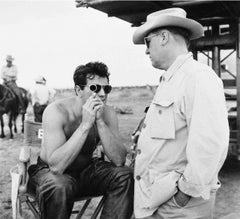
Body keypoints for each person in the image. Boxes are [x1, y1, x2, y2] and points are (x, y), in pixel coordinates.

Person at [132, 8, 229, 219]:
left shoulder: (198, 77)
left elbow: (210, 145)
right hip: (159, 200)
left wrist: (184, 194)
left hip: (178, 207)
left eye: (148, 42)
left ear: (164, 37)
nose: (146, 51)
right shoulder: (171, 80)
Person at [28, 61, 134, 219]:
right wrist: (85, 125)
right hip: (50, 173)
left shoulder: (108, 113)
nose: (103, 94)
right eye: (95, 88)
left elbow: (119, 160)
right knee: (60, 185)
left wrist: (100, 122)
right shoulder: (56, 111)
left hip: (86, 170)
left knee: (125, 175)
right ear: (78, 90)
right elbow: (56, 167)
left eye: (107, 88)